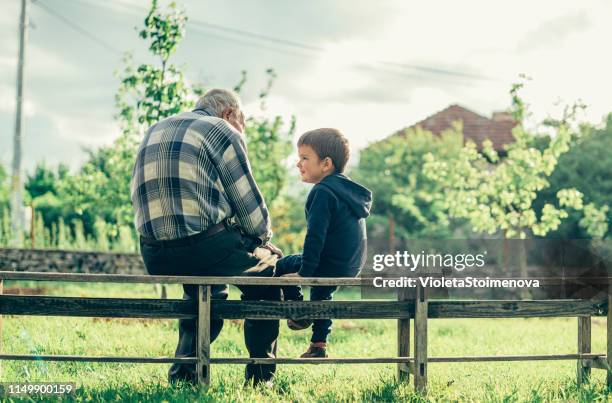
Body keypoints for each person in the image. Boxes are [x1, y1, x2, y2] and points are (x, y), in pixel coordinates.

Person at [130, 88, 282, 386]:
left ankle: (185, 376)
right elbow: (250, 209)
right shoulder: (223, 130)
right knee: (267, 276)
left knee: (205, 293)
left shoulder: (155, 129)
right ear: (229, 114)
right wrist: (263, 241)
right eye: (243, 124)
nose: (242, 132)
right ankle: (261, 378)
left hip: (154, 253)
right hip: (204, 247)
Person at [275, 128, 372, 358]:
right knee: (321, 294)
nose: (299, 163)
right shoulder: (347, 191)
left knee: (282, 264)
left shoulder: (323, 192)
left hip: (328, 262)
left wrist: (304, 273)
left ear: (326, 164)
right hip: (349, 265)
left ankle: (299, 311)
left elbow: (315, 237)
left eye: (305, 158)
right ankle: (318, 346)